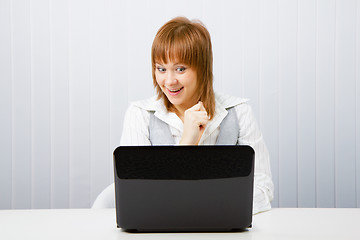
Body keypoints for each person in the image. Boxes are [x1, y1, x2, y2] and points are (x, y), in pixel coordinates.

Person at [94, 17, 273, 214]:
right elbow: (139, 195)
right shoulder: (140, 115)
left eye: (180, 69)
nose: (169, 81)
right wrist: (186, 143)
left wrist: (203, 208)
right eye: (161, 69)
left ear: (202, 69)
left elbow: (262, 189)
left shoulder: (239, 112)